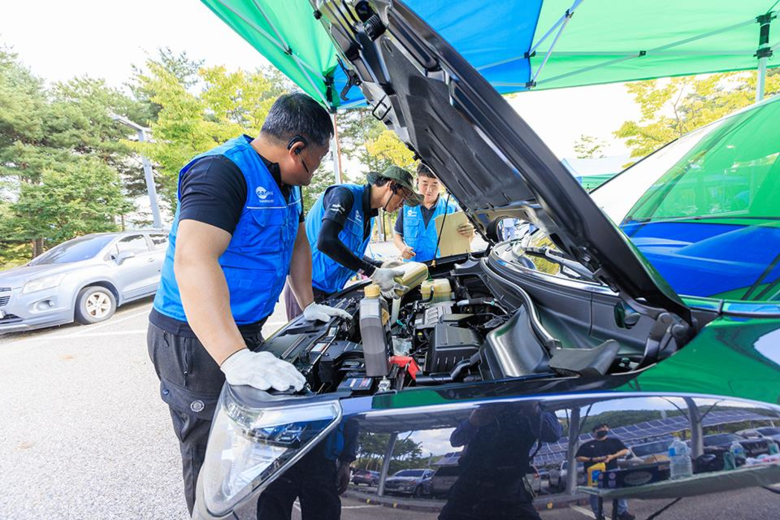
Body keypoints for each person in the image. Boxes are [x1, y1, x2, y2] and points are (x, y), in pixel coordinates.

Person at [147, 93, 351, 515]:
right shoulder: (221, 171)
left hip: (244, 330)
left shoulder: (287, 183)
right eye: (314, 163)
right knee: (212, 452)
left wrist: (308, 305)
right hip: (194, 336)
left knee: (251, 442)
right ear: (295, 148)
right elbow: (194, 258)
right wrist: (233, 356)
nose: (313, 174)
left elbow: (298, 243)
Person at [284, 166, 422, 319]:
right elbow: (326, 242)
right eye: (403, 197)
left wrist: (380, 265)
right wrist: (373, 272)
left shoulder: (368, 216)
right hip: (306, 290)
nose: (402, 205)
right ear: (391, 185)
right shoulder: (344, 195)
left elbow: (348, 253)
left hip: (332, 290)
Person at [438, 402, 562, 520]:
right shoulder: (484, 402)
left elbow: (554, 434)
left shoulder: (534, 401)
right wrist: (473, 422)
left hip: (509, 487)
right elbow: (456, 440)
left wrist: (533, 411)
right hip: (470, 486)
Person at [394, 164, 474, 263]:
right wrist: (402, 248)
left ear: (441, 185)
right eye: (425, 184)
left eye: (434, 184)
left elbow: (463, 242)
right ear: (417, 181)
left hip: (441, 266)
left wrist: (470, 234)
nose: (429, 190)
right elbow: (397, 234)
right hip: (413, 266)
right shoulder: (406, 206)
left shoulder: (452, 209)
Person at [576, 424, 635, 520]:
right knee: (595, 493)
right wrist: (593, 459)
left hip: (613, 470)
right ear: (594, 432)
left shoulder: (614, 441)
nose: (602, 430)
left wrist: (612, 456)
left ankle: (622, 512)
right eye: (599, 429)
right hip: (594, 472)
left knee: (619, 490)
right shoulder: (587, 445)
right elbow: (578, 458)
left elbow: (625, 451)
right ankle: (599, 515)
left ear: (608, 429)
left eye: (604, 428)